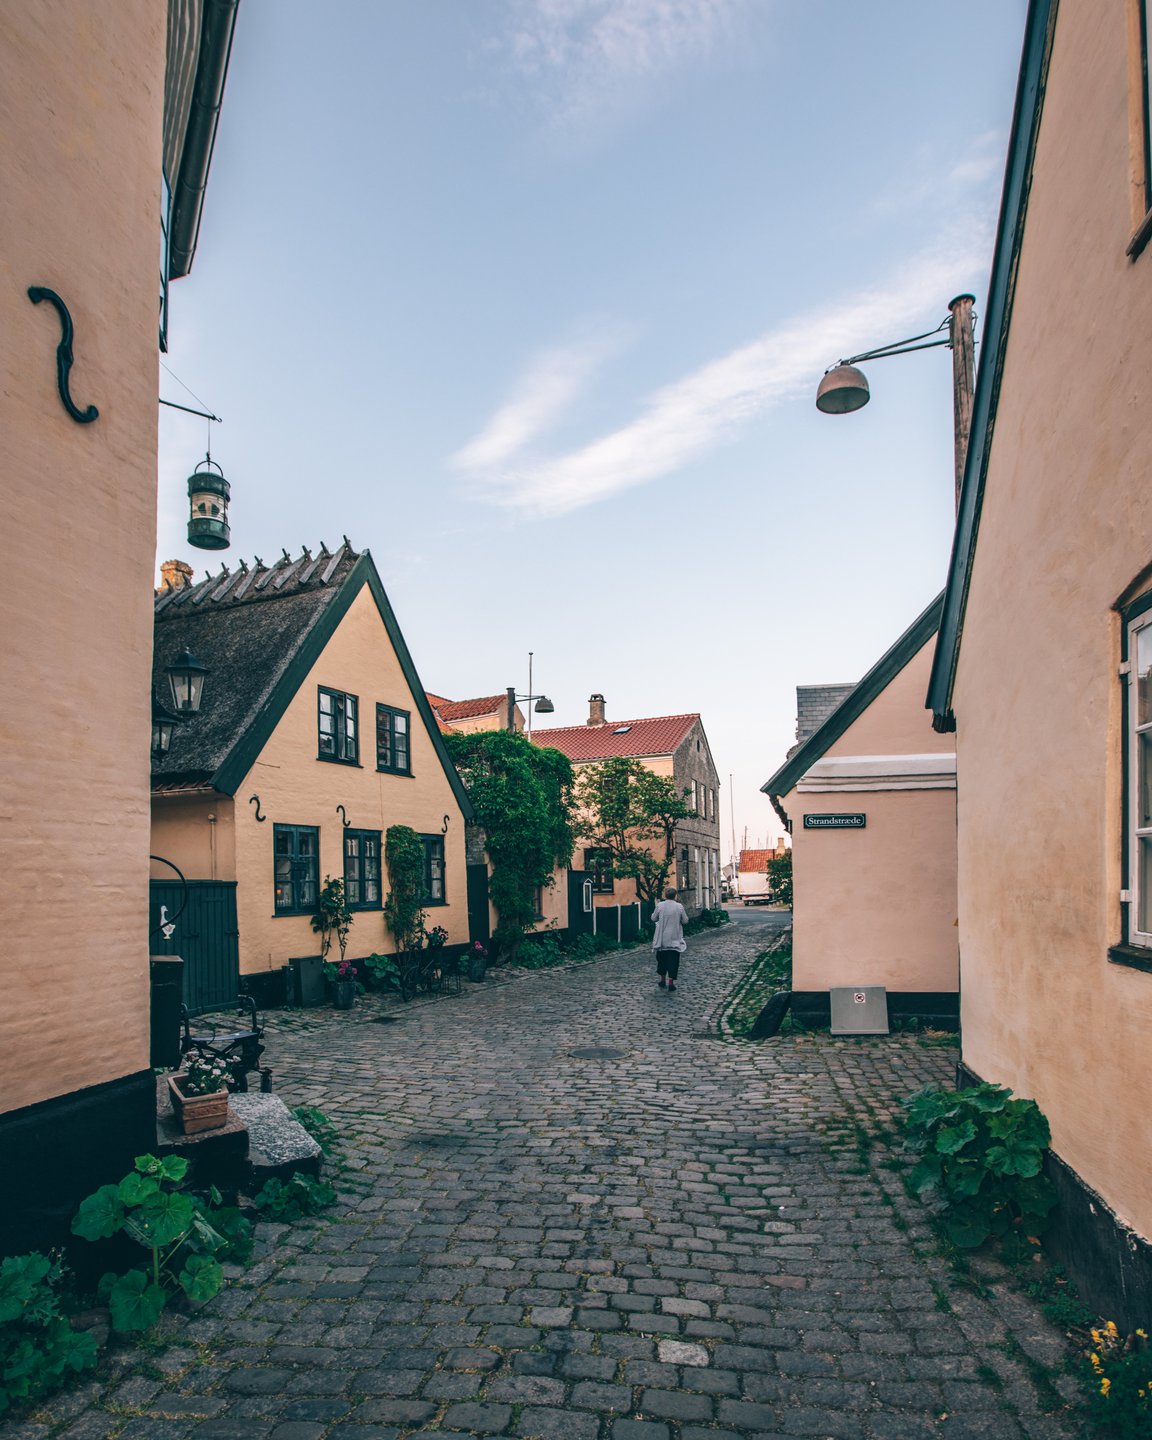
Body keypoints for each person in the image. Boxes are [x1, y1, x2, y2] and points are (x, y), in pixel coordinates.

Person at [651, 886, 689, 992]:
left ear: (665, 895)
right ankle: (671, 982)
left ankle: (662, 980)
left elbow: (654, 918)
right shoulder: (679, 906)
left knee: (661, 960)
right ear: (675, 895)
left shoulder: (660, 905)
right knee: (673, 961)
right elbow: (685, 920)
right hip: (674, 938)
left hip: (662, 939)